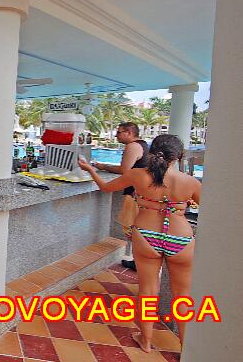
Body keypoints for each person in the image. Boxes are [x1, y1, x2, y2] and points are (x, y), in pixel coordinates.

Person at [79, 134, 201, 352]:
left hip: (147, 236)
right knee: (183, 295)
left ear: (152, 152)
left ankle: (145, 341)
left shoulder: (138, 175)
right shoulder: (191, 182)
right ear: (179, 156)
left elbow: (106, 188)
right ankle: (187, 348)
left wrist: (90, 170)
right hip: (181, 238)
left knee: (147, 289)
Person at [93, 122, 149, 271]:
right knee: (137, 230)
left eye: (119, 132)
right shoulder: (142, 145)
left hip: (135, 194)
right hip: (140, 193)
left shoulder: (133, 146)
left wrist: (101, 166)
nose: (116, 135)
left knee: (135, 230)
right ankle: (138, 262)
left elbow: (124, 170)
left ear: (129, 132)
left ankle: (139, 263)